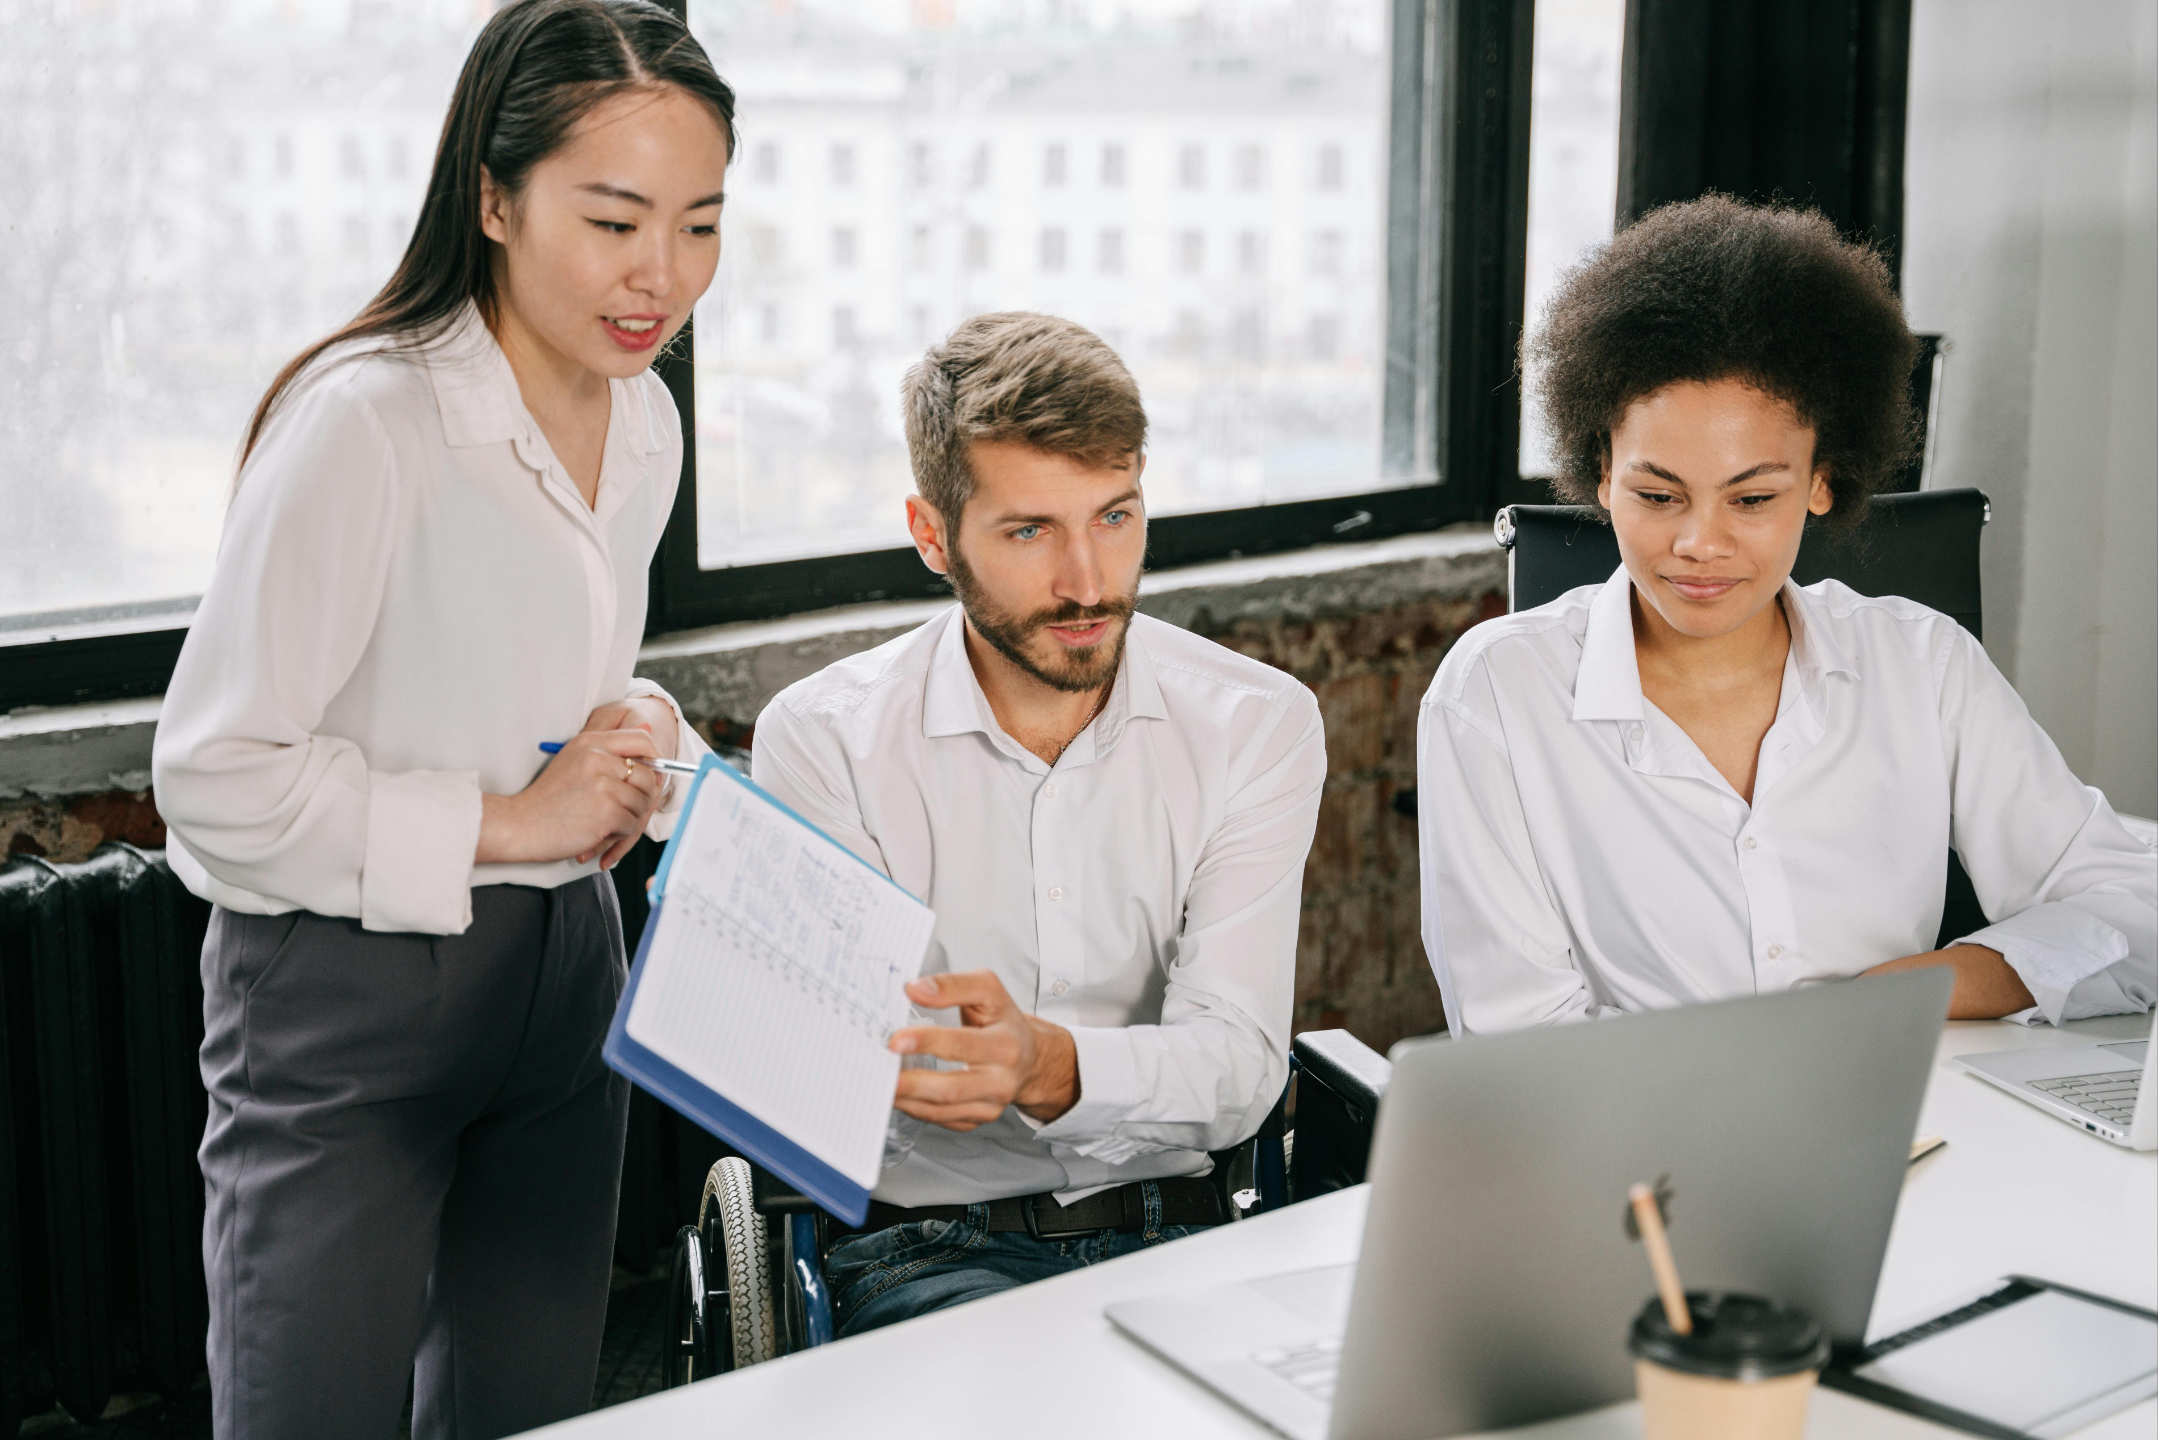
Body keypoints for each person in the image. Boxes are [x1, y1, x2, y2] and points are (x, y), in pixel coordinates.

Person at [148, 3, 734, 1434]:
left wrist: (636, 734)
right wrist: (512, 819)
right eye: (613, 221)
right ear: (491, 195)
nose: (661, 274)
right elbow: (213, 775)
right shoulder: (366, 422)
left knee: (526, 1409)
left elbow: (552, 675)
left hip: (562, 977)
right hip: (344, 999)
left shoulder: (641, 415)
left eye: (702, 223)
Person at [1418, 196, 2156, 1037]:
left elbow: (2130, 904)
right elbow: (1515, 1035)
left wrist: (1901, 995)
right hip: (1634, 1151)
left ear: (1821, 482)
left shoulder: (1920, 665)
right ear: (1601, 474)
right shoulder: (1495, 696)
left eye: (1753, 497)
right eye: (1658, 494)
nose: (1700, 542)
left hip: (1904, 1127)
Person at [749, 312, 1326, 1336]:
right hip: (929, 1248)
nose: (1088, 582)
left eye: (1114, 516)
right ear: (933, 535)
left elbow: (1239, 1070)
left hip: (1188, 1235)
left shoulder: (1255, 724)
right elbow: (824, 1074)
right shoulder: (827, 740)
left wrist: (1046, 1064)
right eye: (1030, 531)